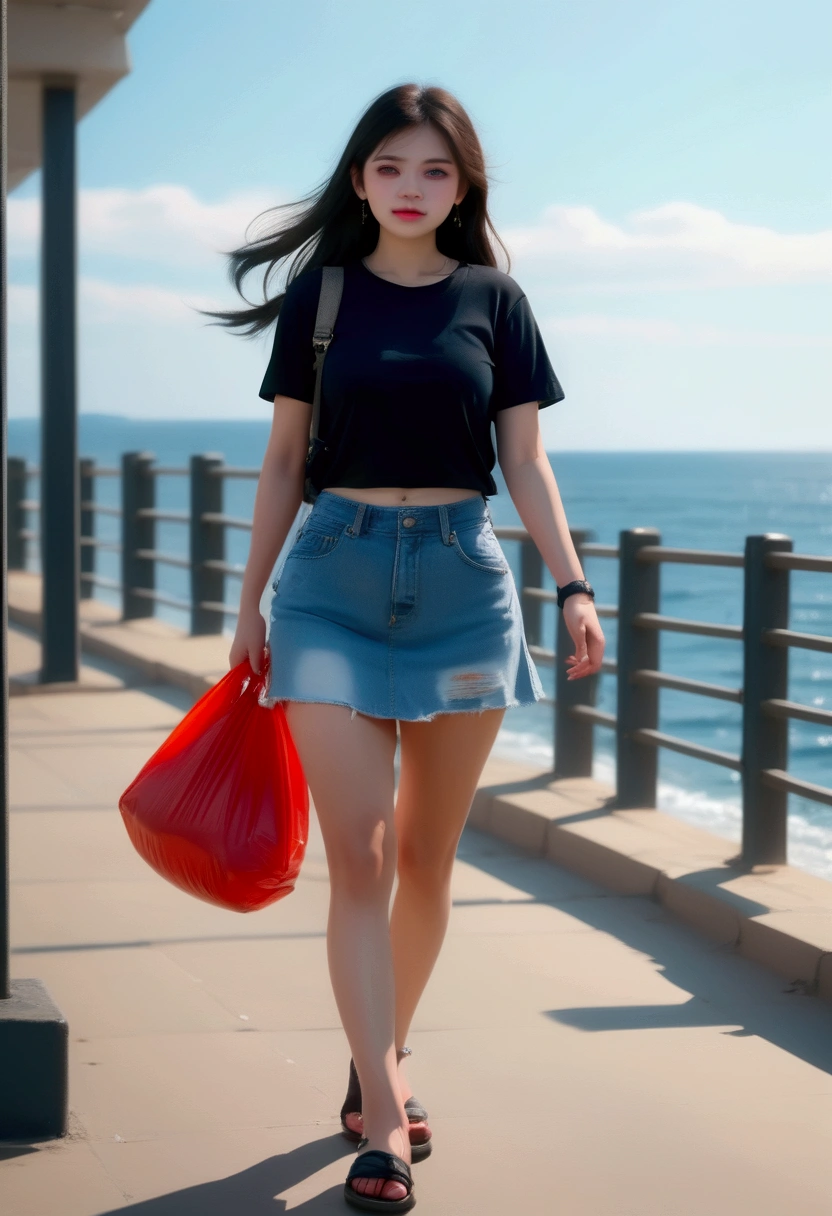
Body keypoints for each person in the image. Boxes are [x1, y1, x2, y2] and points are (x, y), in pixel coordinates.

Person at [207, 82, 605, 1213]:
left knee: (429, 859)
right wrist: (249, 607)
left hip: (462, 587)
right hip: (327, 585)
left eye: (434, 170)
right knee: (364, 859)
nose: (411, 189)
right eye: (390, 168)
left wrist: (572, 585)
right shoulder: (319, 302)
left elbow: (524, 462)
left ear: (462, 182)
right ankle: (384, 1112)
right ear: (359, 179)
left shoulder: (497, 299)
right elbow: (284, 463)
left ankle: (375, 1047)